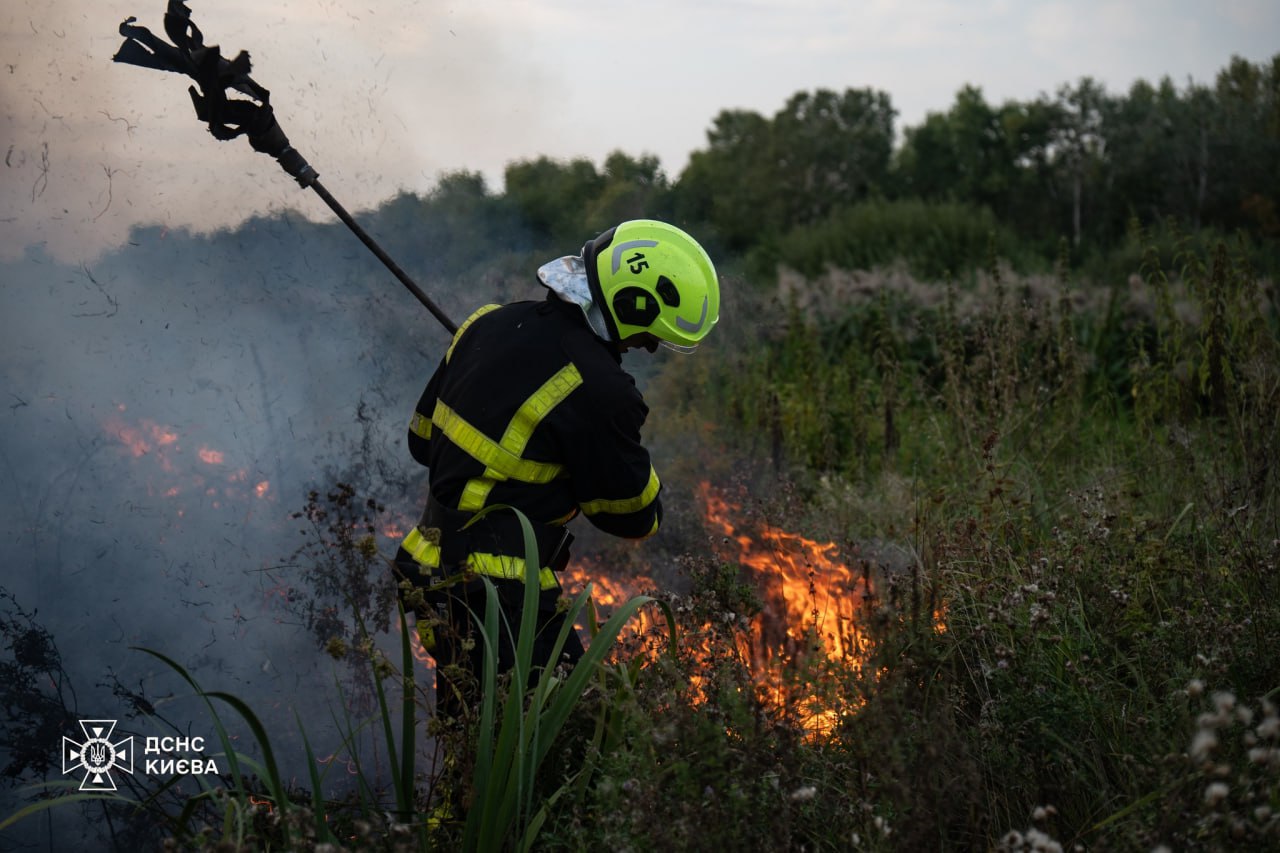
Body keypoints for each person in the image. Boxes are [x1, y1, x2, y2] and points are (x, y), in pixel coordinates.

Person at [393, 219, 720, 718]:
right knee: (563, 737)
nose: (649, 348)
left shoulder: (485, 323)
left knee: (470, 736)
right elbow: (634, 517)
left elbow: (421, 441)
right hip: (499, 595)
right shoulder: (602, 389)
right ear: (631, 305)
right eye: (651, 335)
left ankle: (453, 800)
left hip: (427, 565)